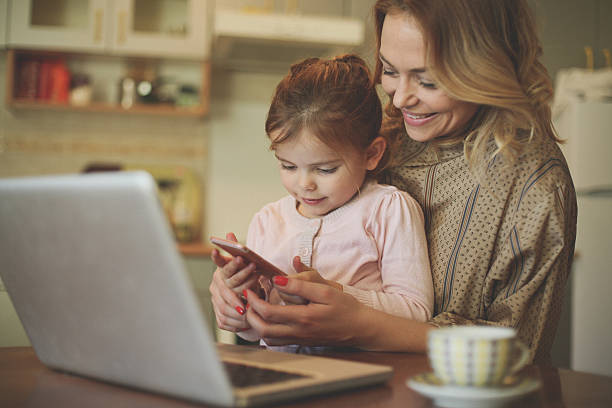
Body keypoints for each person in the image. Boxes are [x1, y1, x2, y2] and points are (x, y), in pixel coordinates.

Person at [210, 0, 577, 364]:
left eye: (428, 80)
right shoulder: (381, 138)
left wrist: (360, 324)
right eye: (388, 70)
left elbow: (517, 352)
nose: (400, 98)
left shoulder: (534, 186)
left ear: (487, 66)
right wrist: (233, 295)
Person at [210, 55, 434, 344]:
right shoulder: (267, 221)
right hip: (282, 376)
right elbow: (256, 335)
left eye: (326, 169)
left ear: (371, 154)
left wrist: (333, 293)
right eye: (288, 166)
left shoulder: (388, 209)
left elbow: (416, 313)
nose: (305, 184)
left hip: (361, 378)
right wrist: (240, 307)